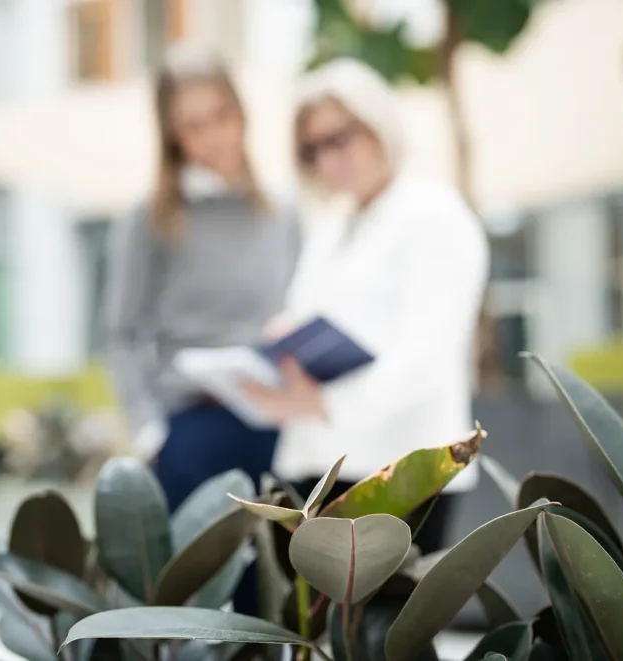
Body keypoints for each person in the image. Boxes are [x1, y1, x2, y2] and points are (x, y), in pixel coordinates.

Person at [242, 59, 491, 554]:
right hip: (320, 465)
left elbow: (427, 357)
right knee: (322, 627)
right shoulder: (332, 228)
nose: (331, 159)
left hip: (403, 471)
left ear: (379, 123)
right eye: (314, 149)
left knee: (392, 629)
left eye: (342, 136)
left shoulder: (435, 215)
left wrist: (326, 404)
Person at [103, 45, 301, 608]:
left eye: (220, 116)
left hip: (276, 431)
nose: (212, 135)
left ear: (242, 115)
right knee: (197, 610)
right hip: (190, 434)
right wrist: (149, 431)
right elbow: (118, 335)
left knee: (272, 606)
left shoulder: (282, 211)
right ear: (171, 136)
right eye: (192, 125)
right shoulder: (148, 220)